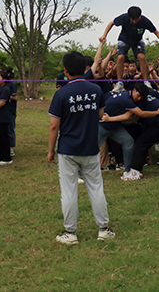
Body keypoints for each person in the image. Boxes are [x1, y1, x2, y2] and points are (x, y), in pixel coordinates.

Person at [48, 51, 113, 245]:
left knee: (69, 191)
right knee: (96, 188)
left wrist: (50, 150)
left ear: (65, 71)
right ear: (85, 69)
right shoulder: (96, 90)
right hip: (90, 147)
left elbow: (53, 126)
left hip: (67, 150)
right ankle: (104, 229)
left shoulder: (61, 93)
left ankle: (70, 232)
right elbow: (100, 115)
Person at [98, 6, 159, 86]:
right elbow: (111, 23)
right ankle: (120, 82)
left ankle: (145, 81)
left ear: (140, 16)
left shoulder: (145, 21)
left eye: (136, 19)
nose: (134, 21)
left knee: (142, 57)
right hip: (124, 40)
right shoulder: (124, 18)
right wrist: (104, 35)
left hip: (137, 41)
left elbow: (156, 32)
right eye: (132, 19)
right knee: (120, 58)